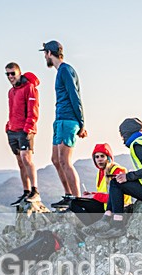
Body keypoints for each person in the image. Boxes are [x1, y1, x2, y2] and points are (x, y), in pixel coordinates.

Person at [39, 40, 87, 210]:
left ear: (50, 53)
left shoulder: (66, 70)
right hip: (59, 119)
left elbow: (75, 96)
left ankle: (77, 201)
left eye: (45, 53)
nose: (44, 57)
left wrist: (81, 123)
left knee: (65, 161)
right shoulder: (60, 71)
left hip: (68, 120)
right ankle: (68, 196)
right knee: (55, 159)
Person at [4, 62, 40, 205]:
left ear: (19, 73)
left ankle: (35, 191)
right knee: (20, 162)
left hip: (25, 131)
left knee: (27, 159)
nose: (10, 76)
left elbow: (33, 110)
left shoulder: (29, 88)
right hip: (12, 130)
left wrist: (28, 128)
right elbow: (12, 111)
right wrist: (8, 127)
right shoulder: (11, 91)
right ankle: (26, 192)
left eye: (13, 73)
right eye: (7, 74)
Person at [70, 142, 128, 226]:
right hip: (104, 206)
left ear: (108, 158)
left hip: (115, 208)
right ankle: (92, 225)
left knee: (76, 203)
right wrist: (92, 194)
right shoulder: (100, 172)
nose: (99, 159)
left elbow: (117, 198)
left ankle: (95, 226)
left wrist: (94, 196)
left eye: (102, 156)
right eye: (97, 157)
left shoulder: (117, 171)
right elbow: (104, 192)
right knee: (73, 203)